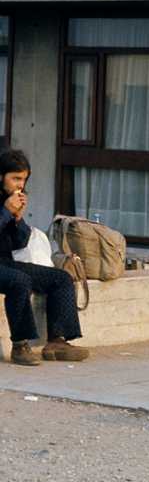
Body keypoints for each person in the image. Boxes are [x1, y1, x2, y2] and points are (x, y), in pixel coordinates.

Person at [0, 149, 88, 366]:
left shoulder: (9, 201)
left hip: (5, 262)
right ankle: (20, 345)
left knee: (61, 278)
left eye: (24, 179)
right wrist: (5, 212)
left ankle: (57, 341)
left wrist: (17, 219)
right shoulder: (5, 204)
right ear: (1, 176)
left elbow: (20, 243)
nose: (20, 185)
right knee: (19, 281)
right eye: (15, 178)